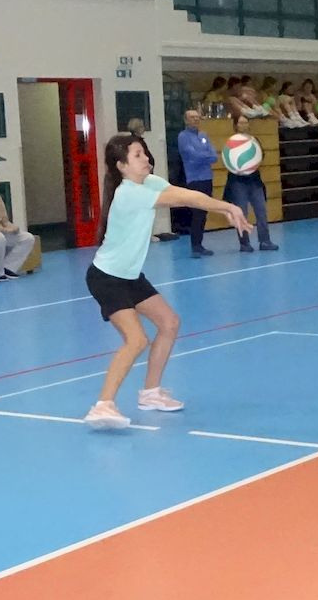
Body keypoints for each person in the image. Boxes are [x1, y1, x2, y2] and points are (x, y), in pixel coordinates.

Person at [83, 134, 250, 429]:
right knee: (136, 340)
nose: (146, 158)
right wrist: (228, 206)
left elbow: (190, 195)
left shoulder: (149, 183)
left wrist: (226, 208)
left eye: (144, 152)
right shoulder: (129, 193)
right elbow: (184, 199)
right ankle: (102, 405)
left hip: (130, 276)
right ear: (121, 166)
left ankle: (150, 393)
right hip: (107, 277)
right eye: (137, 155)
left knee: (169, 323)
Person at [223, 115, 278, 253]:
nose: (243, 125)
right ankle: (244, 243)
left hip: (255, 181)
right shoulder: (232, 142)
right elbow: (230, 159)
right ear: (236, 125)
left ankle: (265, 241)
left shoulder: (254, 140)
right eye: (241, 123)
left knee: (261, 211)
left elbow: (261, 156)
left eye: (246, 122)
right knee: (241, 213)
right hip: (237, 182)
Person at [176, 109, 219, 258]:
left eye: (197, 117)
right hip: (195, 179)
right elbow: (191, 156)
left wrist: (204, 155)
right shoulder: (183, 136)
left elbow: (214, 156)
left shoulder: (203, 135)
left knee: (204, 212)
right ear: (186, 120)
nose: (196, 119)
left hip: (207, 178)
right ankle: (195, 246)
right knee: (197, 213)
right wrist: (206, 156)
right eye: (192, 117)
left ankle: (199, 245)